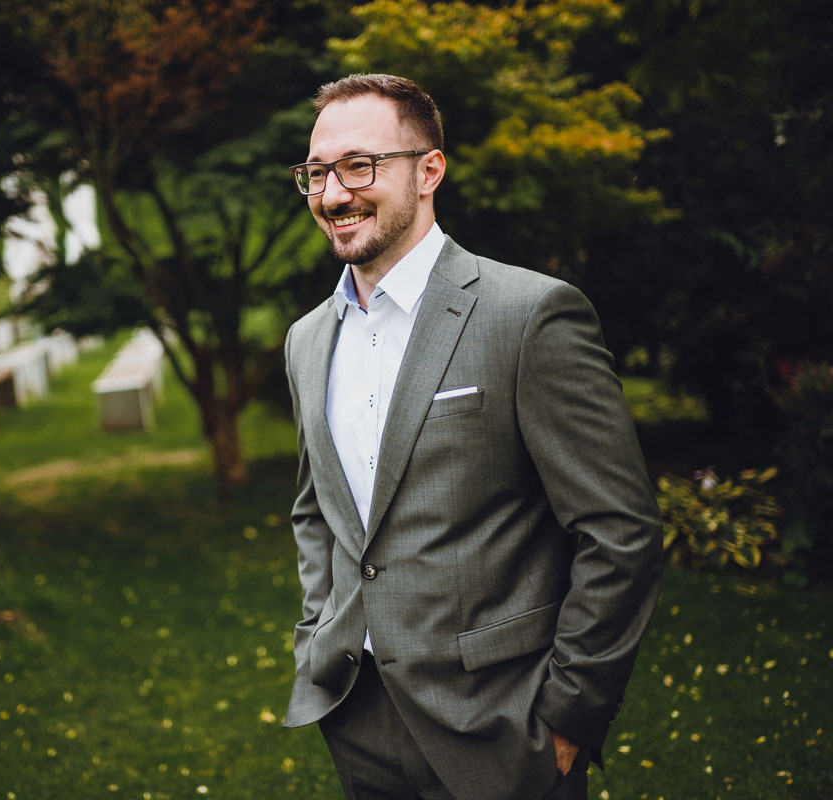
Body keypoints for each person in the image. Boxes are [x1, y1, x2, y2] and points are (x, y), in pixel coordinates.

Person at [281, 73, 663, 800]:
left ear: (430, 170)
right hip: (359, 716)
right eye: (317, 172)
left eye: (361, 166)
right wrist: (319, 633)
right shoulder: (306, 341)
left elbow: (620, 530)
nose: (333, 196)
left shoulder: (529, 316)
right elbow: (316, 513)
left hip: (504, 725)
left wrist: (570, 714)